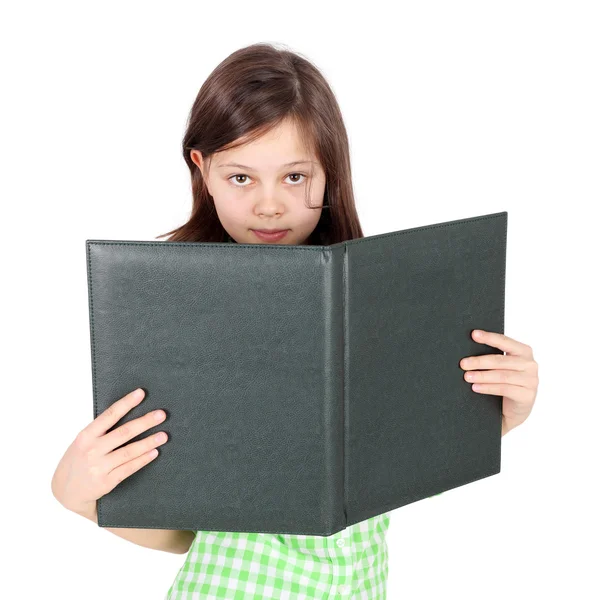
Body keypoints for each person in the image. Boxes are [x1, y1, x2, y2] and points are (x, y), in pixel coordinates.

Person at [51, 41, 539, 600]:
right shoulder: (176, 312)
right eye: (241, 177)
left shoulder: (381, 305)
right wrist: (82, 498)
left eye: (294, 177)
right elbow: (190, 534)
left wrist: (503, 413)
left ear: (329, 172)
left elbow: (398, 459)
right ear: (202, 169)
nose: (268, 205)